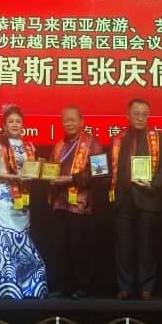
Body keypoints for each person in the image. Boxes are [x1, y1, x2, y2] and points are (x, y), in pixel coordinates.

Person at [0, 105, 48, 299]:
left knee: (22, 238)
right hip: (3, 200)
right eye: (11, 121)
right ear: (4, 125)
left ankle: (26, 287)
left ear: (23, 124)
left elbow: (32, 170)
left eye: (18, 121)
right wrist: (13, 176)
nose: (15, 124)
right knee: (3, 239)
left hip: (23, 200)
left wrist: (41, 171)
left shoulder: (29, 146)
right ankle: (0, 287)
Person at [108, 99, 162, 300]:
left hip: (148, 197)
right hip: (123, 198)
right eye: (136, 113)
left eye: (144, 114)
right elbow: (112, 168)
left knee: (147, 245)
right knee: (123, 245)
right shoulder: (118, 139)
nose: (140, 117)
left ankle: (146, 287)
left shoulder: (158, 138)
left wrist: (153, 183)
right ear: (127, 115)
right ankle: (124, 286)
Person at [47, 106, 102, 300]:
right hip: (60, 202)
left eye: (73, 120)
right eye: (65, 120)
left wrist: (71, 179)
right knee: (61, 246)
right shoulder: (59, 145)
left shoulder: (93, 143)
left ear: (81, 122)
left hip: (81, 204)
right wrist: (48, 177)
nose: (69, 123)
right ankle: (64, 286)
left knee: (81, 246)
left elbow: (100, 171)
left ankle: (83, 287)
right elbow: (51, 168)